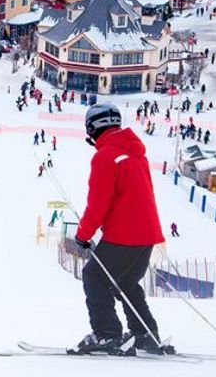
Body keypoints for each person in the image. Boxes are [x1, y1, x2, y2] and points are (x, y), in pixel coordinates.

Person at [72, 103, 169, 355]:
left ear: (93, 128)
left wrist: (83, 235)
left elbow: (99, 203)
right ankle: (145, 333)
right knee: (124, 282)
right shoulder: (136, 153)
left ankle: (106, 334)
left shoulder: (105, 156)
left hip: (124, 234)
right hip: (146, 234)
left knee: (94, 277)